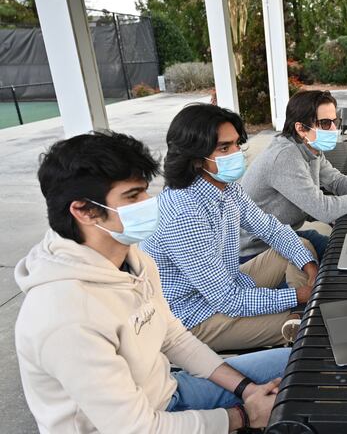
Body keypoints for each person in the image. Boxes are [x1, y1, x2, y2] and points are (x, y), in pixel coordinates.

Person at [15, 132, 291, 433]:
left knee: (299, 363)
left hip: (168, 392)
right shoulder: (65, 317)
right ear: (84, 210)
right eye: (133, 196)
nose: (149, 203)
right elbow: (139, 428)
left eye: (146, 191)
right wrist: (243, 416)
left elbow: (174, 337)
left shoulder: (131, 257)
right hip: (145, 424)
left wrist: (246, 389)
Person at [140, 103, 318, 351]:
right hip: (190, 318)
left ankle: (299, 311)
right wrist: (300, 294)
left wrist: (310, 270)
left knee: (300, 246)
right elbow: (227, 299)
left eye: (236, 144)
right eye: (224, 148)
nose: (236, 152)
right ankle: (296, 318)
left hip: (225, 287)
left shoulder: (226, 187)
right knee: (307, 327)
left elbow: (270, 229)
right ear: (195, 158)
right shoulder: (184, 214)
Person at [240, 90, 347, 262]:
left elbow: (336, 181)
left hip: (284, 236)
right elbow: (324, 210)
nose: (335, 128)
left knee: (342, 252)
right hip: (257, 251)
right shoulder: (285, 157)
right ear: (301, 129)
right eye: (325, 123)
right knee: (334, 269)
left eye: (335, 121)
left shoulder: (310, 148)